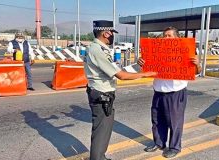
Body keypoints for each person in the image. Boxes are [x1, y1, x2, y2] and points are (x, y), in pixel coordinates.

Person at [84, 20, 156, 160]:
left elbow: (118, 70)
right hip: (101, 95)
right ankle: (97, 158)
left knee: (104, 129)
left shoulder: (99, 48)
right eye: (112, 33)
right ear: (106, 33)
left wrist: (137, 67)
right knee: (101, 130)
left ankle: (100, 156)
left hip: (102, 93)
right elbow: (121, 75)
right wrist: (144, 74)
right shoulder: (97, 50)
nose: (112, 36)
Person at [138, 26, 202, 158]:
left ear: (177, 38)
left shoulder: (185, 51)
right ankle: (159, 143)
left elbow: (196, 72)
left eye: (169, 36)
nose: (166, 38)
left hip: (175, 92)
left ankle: (175, 147)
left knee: (175, 122)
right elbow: (147, 67)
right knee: (157, 120)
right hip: (158, 91)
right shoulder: (156, 51)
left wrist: (197, 64)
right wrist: (142, 62)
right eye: (164, 36)